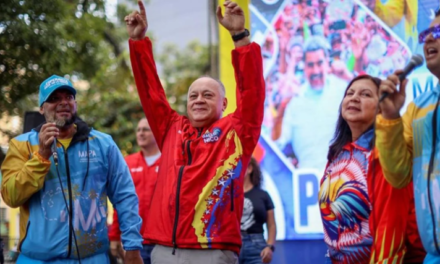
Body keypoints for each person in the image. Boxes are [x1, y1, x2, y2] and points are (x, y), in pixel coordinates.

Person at [125, 0, 265, 263]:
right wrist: (138, 42)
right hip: (164, 249)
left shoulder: (236, 131)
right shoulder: (171, 128)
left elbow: (252, 92)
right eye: (193, 96)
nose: (198, 99)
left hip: (213, 250)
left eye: (208, 95)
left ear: (224, 104)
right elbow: (150, 92)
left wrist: (240, 37)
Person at [1, 75, 143, 263]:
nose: (63, 103)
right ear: (42, 109)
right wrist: (42, 156)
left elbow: (125, 196)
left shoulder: (103, 144)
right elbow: (11, 196)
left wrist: (132, 246)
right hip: (37, 259)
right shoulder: (21, 145)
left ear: (75, 103)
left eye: (68, 97)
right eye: (54, 99)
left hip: (93, 258)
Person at [319, 74, 425, 263]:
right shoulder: (336, 154)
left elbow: (392, 226)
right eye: (349, 93)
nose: (354, 98)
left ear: (383, 106)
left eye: (366, 94)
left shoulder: (386, 155)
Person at [376, 9, 440, 264]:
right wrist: (391, 117)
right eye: (426, 34)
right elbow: (399, 174)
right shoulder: (419, 106)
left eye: (437, 33)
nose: (428, 40)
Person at [275, 35, 348, 171]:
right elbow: (278, 142)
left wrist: (348, 77)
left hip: (343, 179)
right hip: (309, 185)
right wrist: (282, 109)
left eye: (319, 63)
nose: (315, 71)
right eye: (310, 65)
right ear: (304, 67)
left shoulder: (343, 90)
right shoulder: (295, 101)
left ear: (327, 62)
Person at [108, 118, 160, 264]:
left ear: (156, 132)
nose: (140, 133)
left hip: (163, 242)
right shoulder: (128, 162)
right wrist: (114, 235)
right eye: (138, 130)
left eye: (145, 129)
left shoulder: (169, 161)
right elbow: (120, 201)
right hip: (134, 242)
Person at [240, 158, 276, 264]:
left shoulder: (263, 195)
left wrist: (269, 246)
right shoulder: (229, 196)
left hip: (257, 246)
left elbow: (272, 225)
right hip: (233, 245)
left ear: (250, 168)